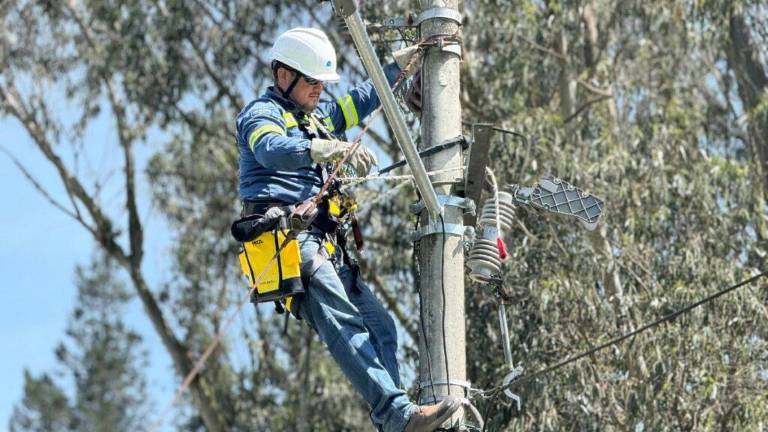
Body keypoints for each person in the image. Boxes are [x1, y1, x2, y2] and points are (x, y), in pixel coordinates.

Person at [235, 28, 461, 432]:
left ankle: (397, 422)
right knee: (346, 325)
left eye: (322, 83)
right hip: (288, 243)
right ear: (283, 76)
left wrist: (397, 66)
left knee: (381, 329)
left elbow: (360, 100)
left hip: (325, 245)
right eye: (311, 82)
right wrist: (325, 149)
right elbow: (269, 148)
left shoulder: (318, 116)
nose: (319, 90)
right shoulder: (261, 114)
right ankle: (398, 416)